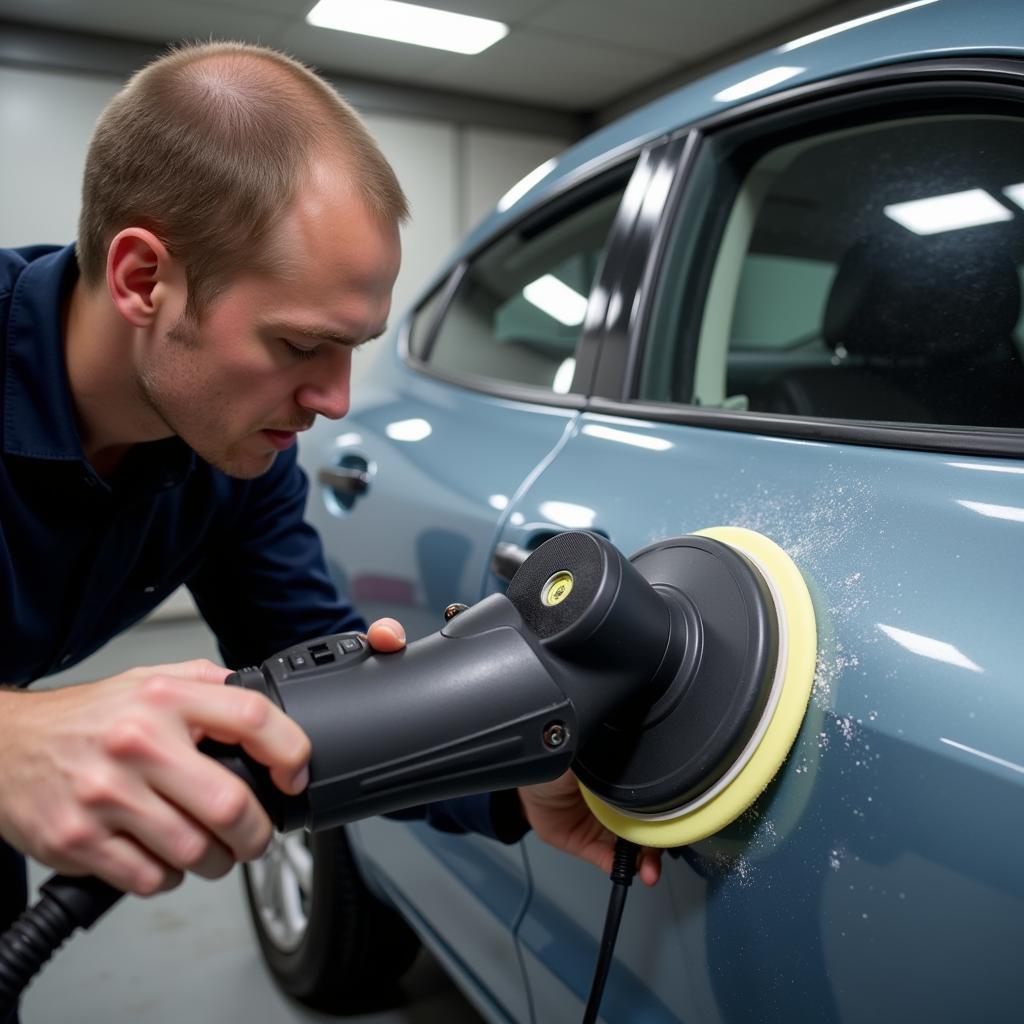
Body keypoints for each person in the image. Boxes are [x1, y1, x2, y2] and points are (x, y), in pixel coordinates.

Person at [0, 39, 660, 1001]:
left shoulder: (234, 455)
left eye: (352, 348)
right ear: (145, 279)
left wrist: (509, 775)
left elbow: (307, 664)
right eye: (300, 343)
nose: (336, 401)